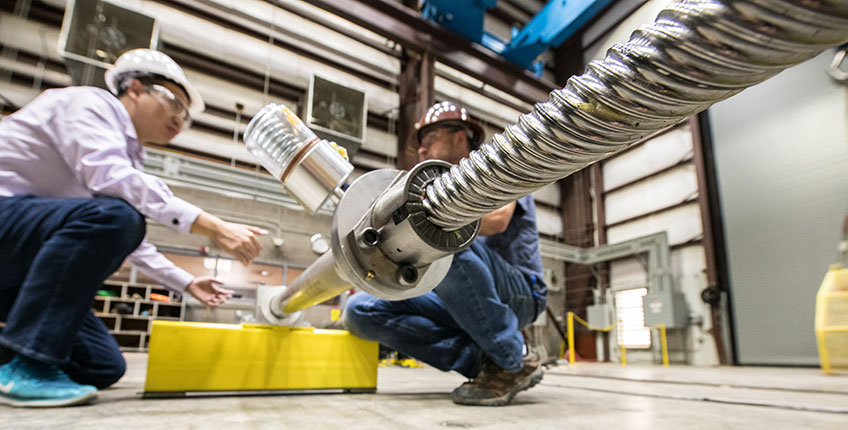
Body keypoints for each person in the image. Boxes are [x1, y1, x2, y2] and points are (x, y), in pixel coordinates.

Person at [0, 49, 266, 407]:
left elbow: (124, 238)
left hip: (17, 257)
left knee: (102, 365)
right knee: (119, 218)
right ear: (135, 88)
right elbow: (112, 196)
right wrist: (213, 227)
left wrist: (186, 282)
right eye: (173, 102)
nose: (179, 119)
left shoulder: (125, 154)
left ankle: (13, 361)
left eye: (185, 116)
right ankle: (28, 366)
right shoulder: (90, 104)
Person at [343, 101, 547, 406]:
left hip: (520, 293)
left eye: (429, 139)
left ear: (459, 138)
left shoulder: (499, 171)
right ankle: (484, 362)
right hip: (464, 293)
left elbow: (497, 221)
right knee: (360, 310)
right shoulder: (437, 188)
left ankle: (509, 358)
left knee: (441, 240)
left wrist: (426, 220)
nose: (421, 150)